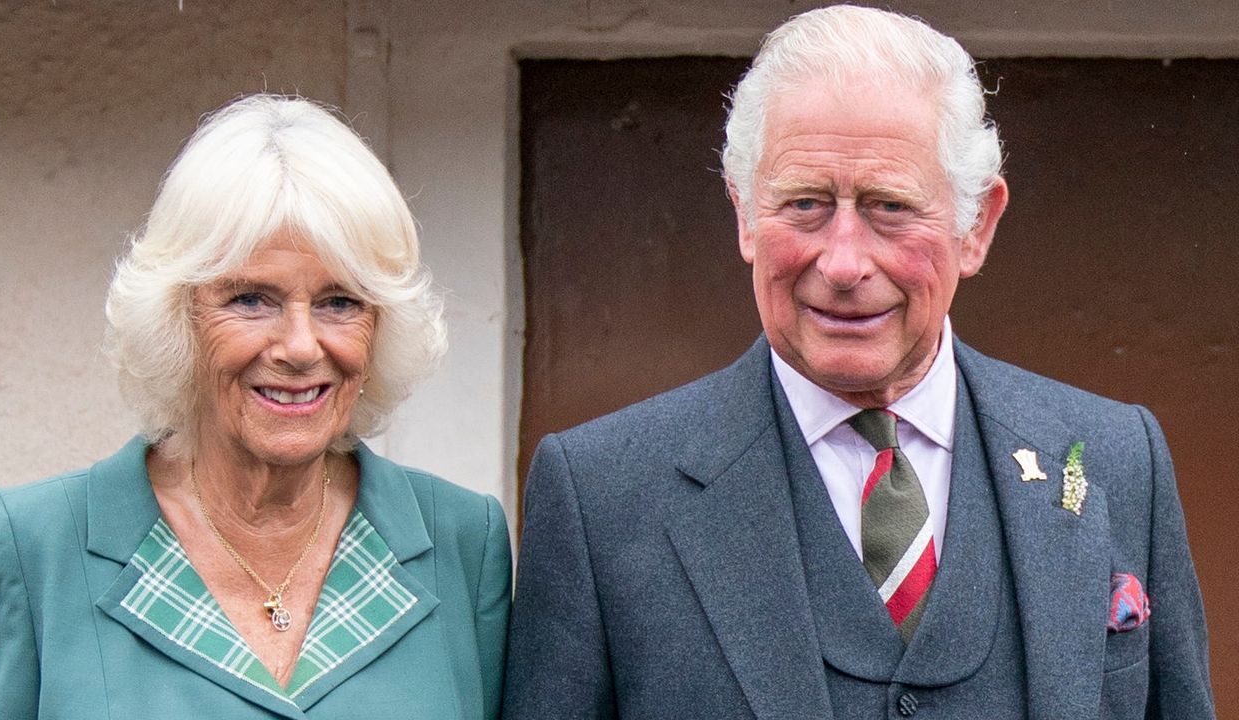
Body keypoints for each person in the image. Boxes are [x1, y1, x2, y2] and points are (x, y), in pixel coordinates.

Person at [502, 6, 1214, 719]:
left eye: (890, 206)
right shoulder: (601, 495)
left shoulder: (1115, 460)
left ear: (976, 227)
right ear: (745, 215)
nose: (843, 263)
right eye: (805, 203)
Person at [0, 95, 510, 719]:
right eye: (251, 299)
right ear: (178, 317)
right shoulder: (30, 548)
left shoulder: (461, 544)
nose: (301, 347)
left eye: (340, 302)